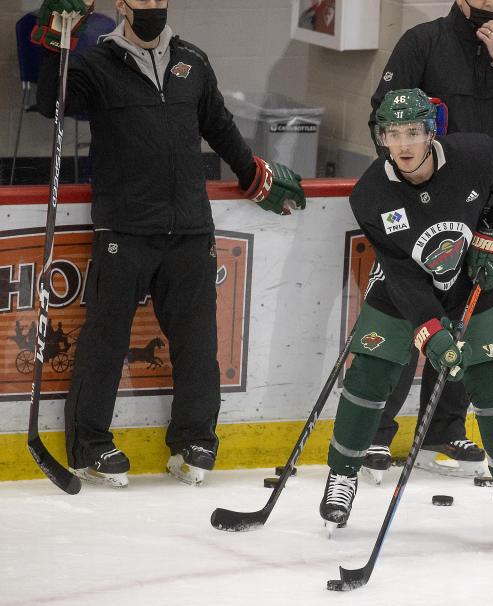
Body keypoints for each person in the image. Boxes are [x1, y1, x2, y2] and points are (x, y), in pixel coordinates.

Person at [33, 0, 307, 487]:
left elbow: (218, 125)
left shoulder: (192, 61)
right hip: (124, 229)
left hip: (190, 229)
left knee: (199, 344)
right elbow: (54, 102)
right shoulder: (94, 64)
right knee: (105, 343)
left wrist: (252, 173)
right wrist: (55, 32)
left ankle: (194, 440)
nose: (154, 6)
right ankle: (90, 445)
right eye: (144, 0)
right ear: (122, 5)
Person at [322, 88, 493, 539]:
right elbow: (401, 274)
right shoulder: (370, 195)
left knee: (492, 381)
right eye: (392, 133)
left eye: (413, 132)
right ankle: (342, 475)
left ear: (431, 130)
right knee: (369, 376)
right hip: (401, 293)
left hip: (473, 284)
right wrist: (430, 331)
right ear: (380, 137)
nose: (403, 144)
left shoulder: (475, 154)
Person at [363, 0, 493, 481]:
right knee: (409, 317)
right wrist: (406, 192)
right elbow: (380, 122)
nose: (491, 3)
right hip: (420, 215)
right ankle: (377, 436)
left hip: (480, 215)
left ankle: (441, 433)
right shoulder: (421, 43)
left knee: (465, 323)